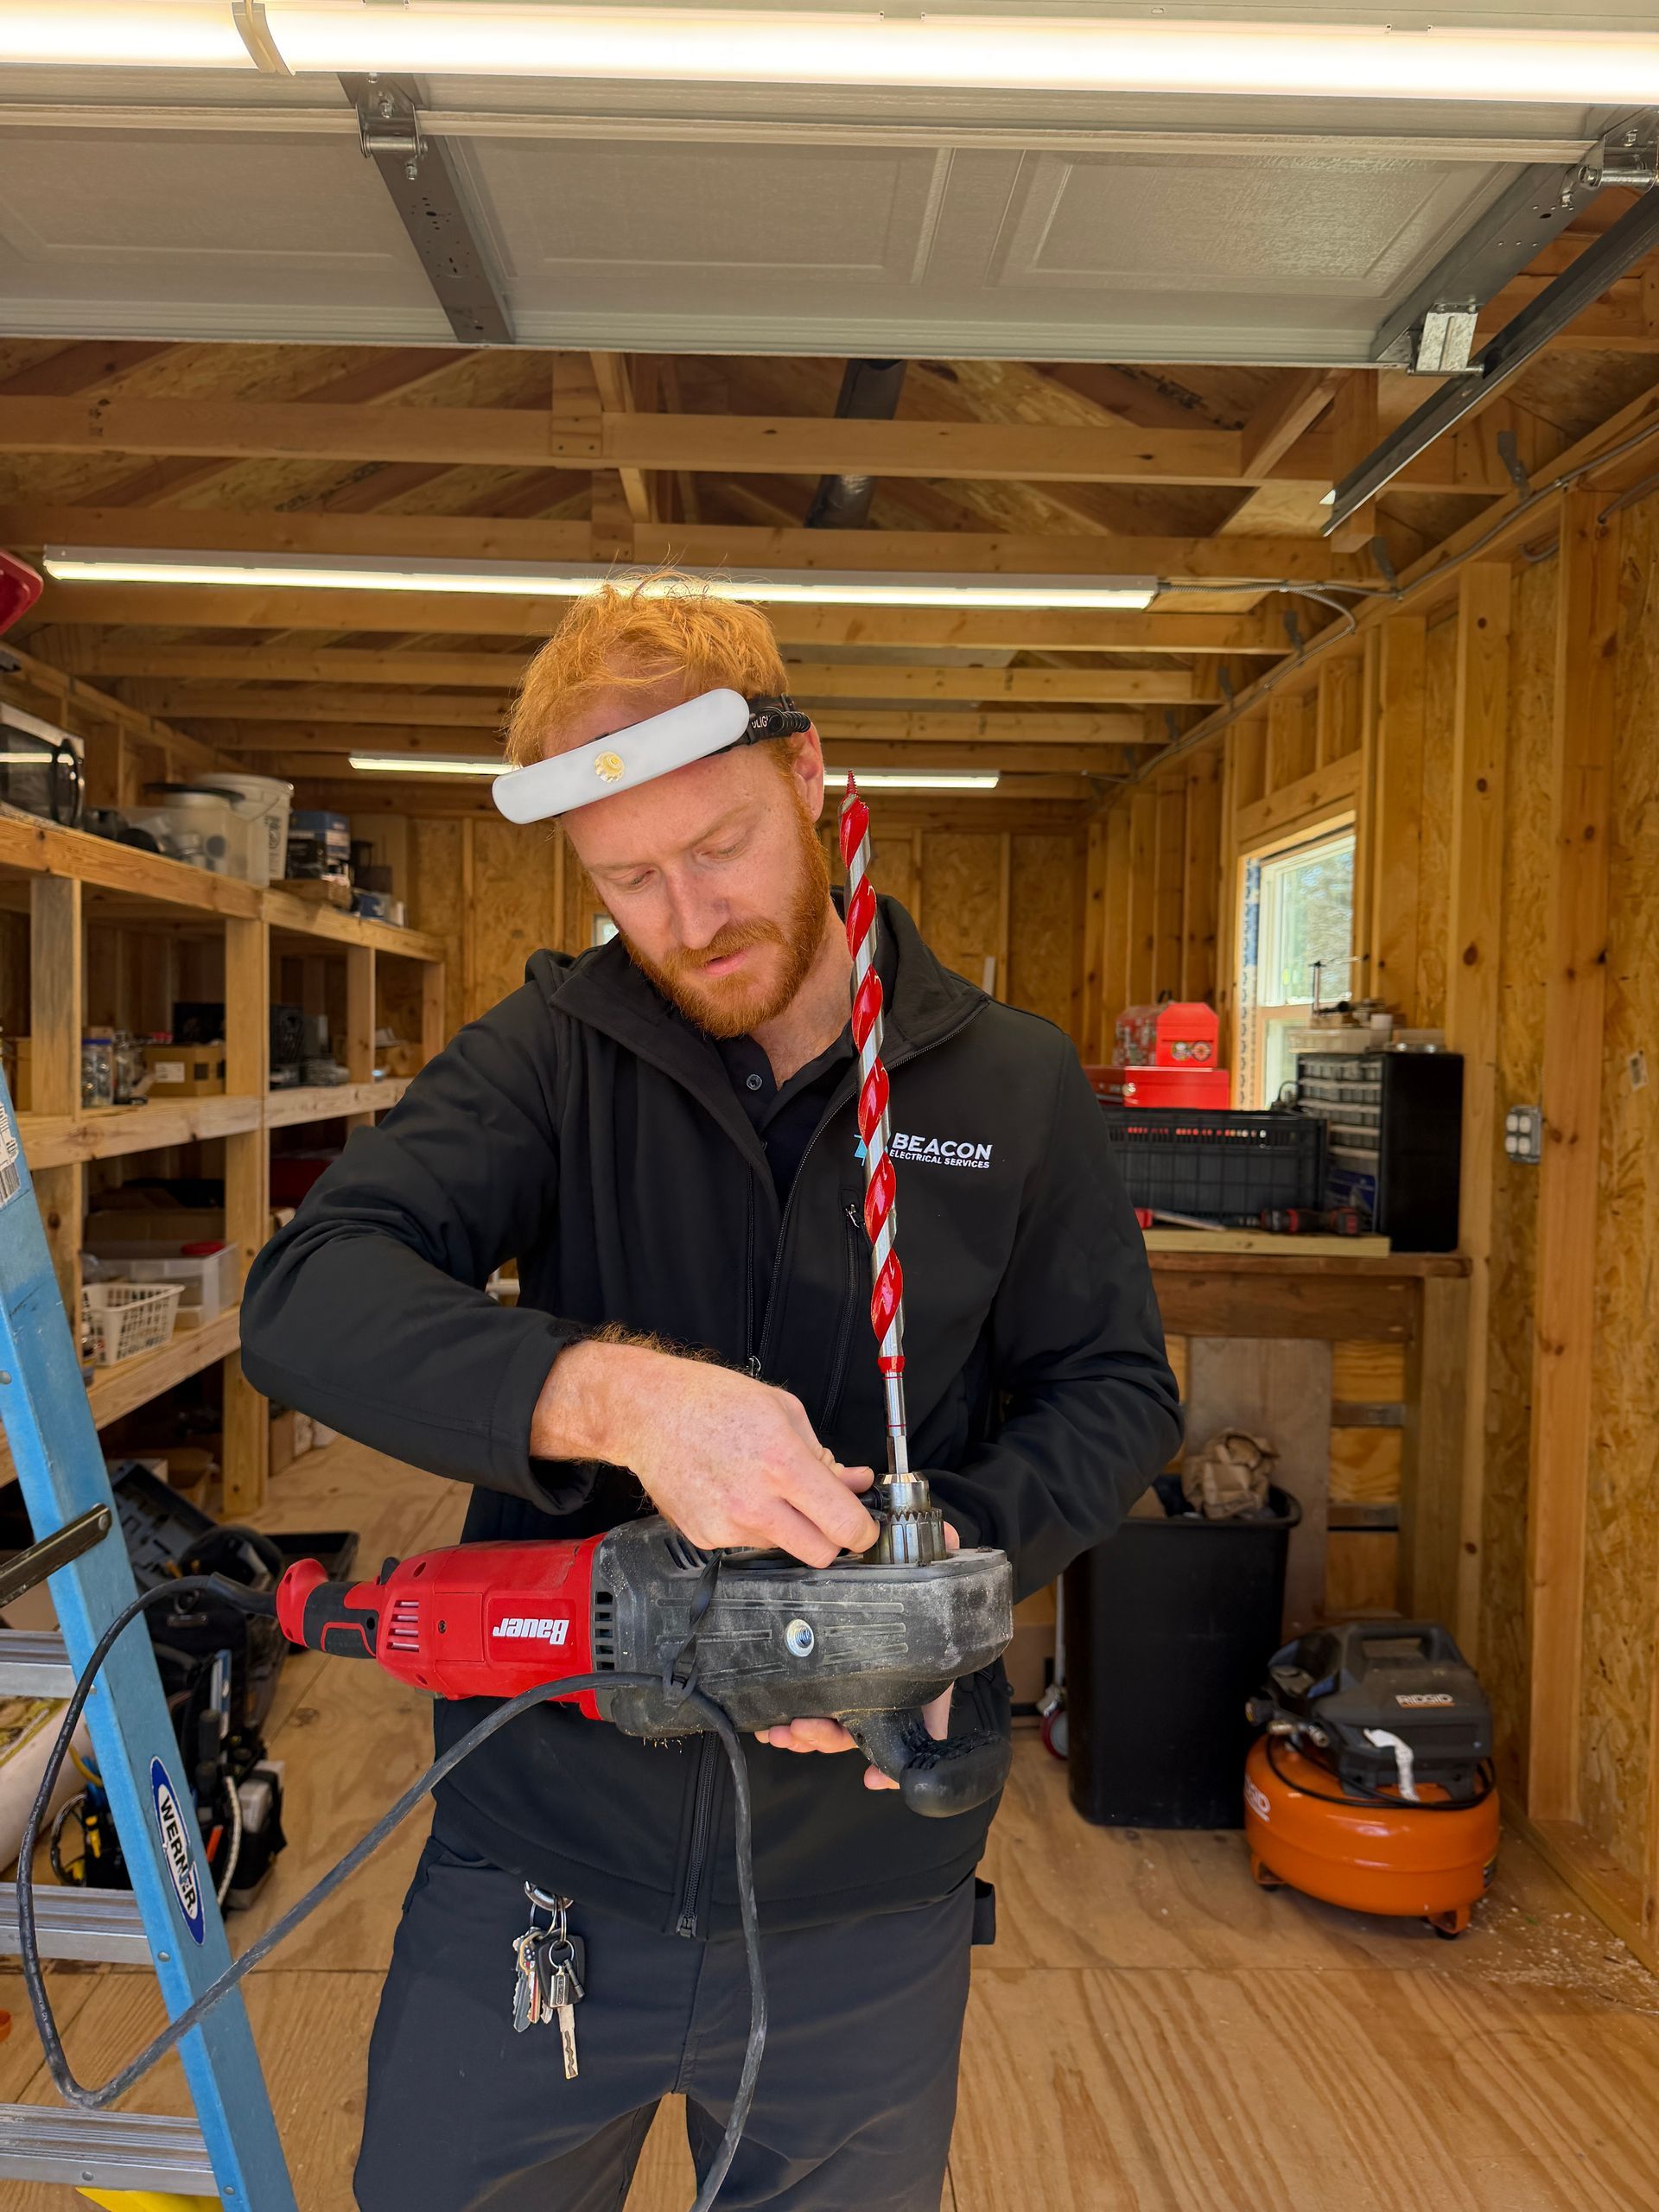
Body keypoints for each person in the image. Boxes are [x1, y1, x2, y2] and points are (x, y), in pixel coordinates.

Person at [240, 572, 1182, 2212]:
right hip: (538, 1858)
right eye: (630, 880)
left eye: (721, 847)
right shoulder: (553, 1052)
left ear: (808, 776)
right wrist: (611, 1401)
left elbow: (1113, 1393)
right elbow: (309, 1299)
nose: (686, 918)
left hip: (863, 1899)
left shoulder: (1009, 1082)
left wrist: (922, 1577)